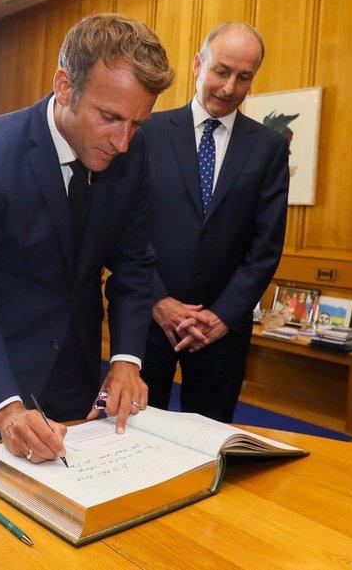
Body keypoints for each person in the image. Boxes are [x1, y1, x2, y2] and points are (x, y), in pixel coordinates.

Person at [0, 13, 173, 476]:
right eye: (110, 118)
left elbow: (133, 266)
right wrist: (5, 408)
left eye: (137, 124)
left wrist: (125, 360)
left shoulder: (133, 153)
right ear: (65, 86)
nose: (123, 143)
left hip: (77, 372)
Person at [140, 21, 289, 422]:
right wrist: (159, 300)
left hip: (220, 329)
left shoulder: (269, 148)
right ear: (197, 64)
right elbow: (125, 230)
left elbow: (266, 245)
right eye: (221, 71)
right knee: (132, 434)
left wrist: (223, 315)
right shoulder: (146, 134)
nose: (229, 87)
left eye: (244, 77)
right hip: (148, 319)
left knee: (209, 442)